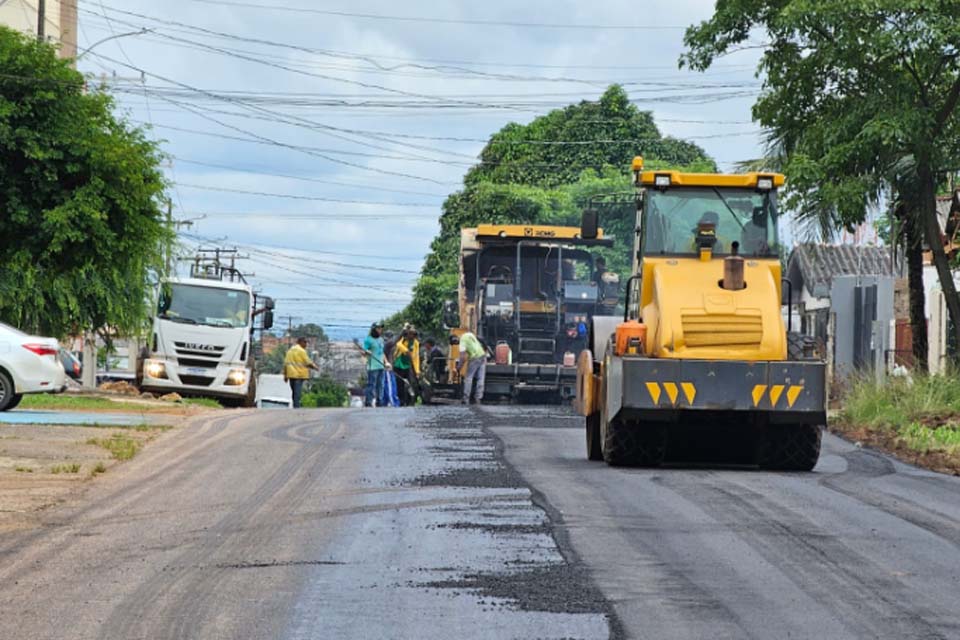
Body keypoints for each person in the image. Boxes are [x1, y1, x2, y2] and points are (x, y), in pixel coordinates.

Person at [283, 337, 318, 408]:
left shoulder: (290, 351)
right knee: (297, 393)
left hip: (291, 374)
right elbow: (308, 362)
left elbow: (286, 364)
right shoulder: (301, 351)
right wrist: (315, 367)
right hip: (299, 375)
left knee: (294, 392)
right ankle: (296, 407)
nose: (306, 345)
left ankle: (295, 405)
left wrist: (285, 375)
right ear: (301, 342)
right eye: (305, 343)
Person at [392, 323, 421, 406]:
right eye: (410, 333)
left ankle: (409, 401)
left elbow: (416, 357)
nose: (411, 335)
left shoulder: (415, 343)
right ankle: (400, 401)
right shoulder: (403, 340)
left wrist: (417, 370)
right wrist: (406, 351)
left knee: (410, 383)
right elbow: (398, 344)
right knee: (399, 384)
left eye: (413, 333)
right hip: (398, 365)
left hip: (408, 366)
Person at [457, 330, 487, 405]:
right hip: (482, 355)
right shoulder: (469, 334)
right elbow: (479, 339)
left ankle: (465, 398)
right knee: (480, 378)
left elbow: (463, 357)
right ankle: (478, 398)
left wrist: (459, 367)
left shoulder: (462, 342)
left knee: (468, 378)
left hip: (475, 357)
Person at [361, 322, 387, 407]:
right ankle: (368, 402)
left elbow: (382, 353)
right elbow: (363, 352)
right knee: (371, 385)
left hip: (381, 366)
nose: (380, 330)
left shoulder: (381, 339)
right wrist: (366, 352)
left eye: (381, 328)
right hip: (372, 366)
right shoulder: (368, 340)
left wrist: (386, 362)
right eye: (378, 328)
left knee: (381, 385)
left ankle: (379, 401)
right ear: (374, 329)